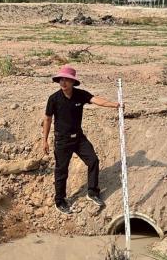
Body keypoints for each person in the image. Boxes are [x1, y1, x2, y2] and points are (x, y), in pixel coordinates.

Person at [39, 65, 119, 214]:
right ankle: (60, 201)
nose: (63, 83)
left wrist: (115, 105)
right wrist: (44, 140)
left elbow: (96, 100)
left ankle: (93, 192)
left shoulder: (80, 95)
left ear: (72, 82)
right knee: (61, 171)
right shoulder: (54, 99)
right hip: (62, 140)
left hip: (79, 137)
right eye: (61, 80)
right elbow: (48, 119)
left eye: (66, 80)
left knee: (93, 160)